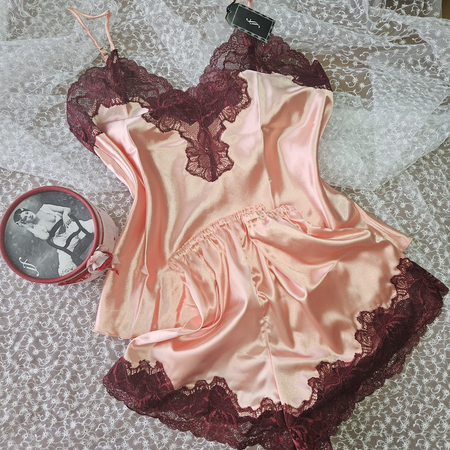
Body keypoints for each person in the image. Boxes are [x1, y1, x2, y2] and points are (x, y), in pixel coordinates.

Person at [14, 203, 94, 276]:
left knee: (94, 225)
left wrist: (65, 215)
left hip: (72, 227)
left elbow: (66, 209)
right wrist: (27, 227)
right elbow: (45, 236)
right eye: (25, 218)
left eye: (27, 213)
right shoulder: (36, 229)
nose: (29, 216)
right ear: (25, 222)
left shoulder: (45, 208)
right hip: (62, 241)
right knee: (66, 269)